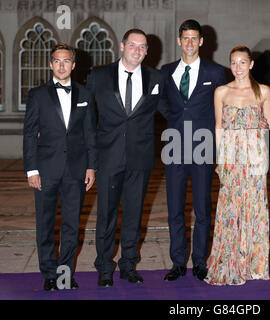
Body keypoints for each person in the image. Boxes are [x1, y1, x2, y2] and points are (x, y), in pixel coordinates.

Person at [86, 29, 170, 287]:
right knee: (107, 214)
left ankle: (128, 265)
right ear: (122, 46)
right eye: (132, 45)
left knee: (134, 214)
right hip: (108, 156)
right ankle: (104, 266)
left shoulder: (156, 78)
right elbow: (86, 116)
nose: (137, 50)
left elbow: (173, 110)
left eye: (142, 46)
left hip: (140, 158)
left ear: (147, 51)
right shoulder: (99, 76)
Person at [23, 43, 97, 291]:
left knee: (71, 225)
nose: (61, 65)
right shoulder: (37, 95)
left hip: (75, 170)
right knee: (45, 224)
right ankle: (49, 274)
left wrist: (91, 167)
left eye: (66, 61)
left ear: (73, 65)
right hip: (45, 170)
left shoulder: (85, 95)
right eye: (57, 61)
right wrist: (31, 170)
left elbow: (90, 134)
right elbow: (30, 134)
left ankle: (65, 273)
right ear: (51, 64)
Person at [160, 20, 227, 282]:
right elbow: (160, 101)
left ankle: (199, 261)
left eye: (194, 38)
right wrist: (176, 117)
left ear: (201, 41)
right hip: (174, 146)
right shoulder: (165, 72)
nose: (189, 43)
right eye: (185, 38)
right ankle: (178, 262)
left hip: (203, 146)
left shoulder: (216, 72)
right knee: (175, 208)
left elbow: (227, 103)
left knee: (202, 209)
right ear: (179, 41)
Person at [205, 45, 270, 286]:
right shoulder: (221, 92)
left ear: (251, 64)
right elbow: (218, 127)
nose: (238, 67)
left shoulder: (264, 91)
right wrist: (219, 159)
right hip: (231, 159)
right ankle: (229, 261)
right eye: (233, 63)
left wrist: (261, 131)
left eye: (242, 62)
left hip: (255, 157)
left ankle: (253, 265)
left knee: (254, 209)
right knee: (231, 209)